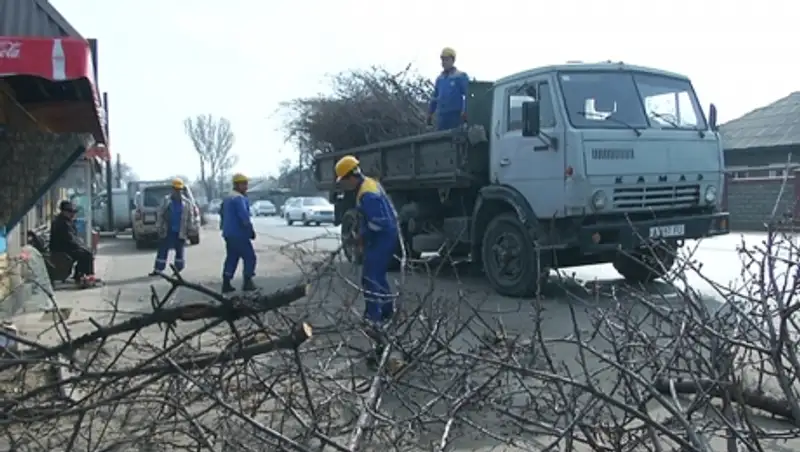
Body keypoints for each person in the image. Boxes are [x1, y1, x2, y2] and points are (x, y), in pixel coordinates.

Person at [334, 155, 399, 367]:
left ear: (351, 176)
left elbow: (378, 222)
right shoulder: (370, 184)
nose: (344, 185)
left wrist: (362, 237)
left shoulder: (367, 194)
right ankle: (387, 311)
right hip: (384, 237)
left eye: (343, 181)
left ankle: (375, 320)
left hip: (382, 239)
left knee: (370, 278)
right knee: (377, 276)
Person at [220, 173, 257, 293]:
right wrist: (250, 230)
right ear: (236, 185)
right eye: (243, 184)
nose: (246, 186)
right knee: (250, 257)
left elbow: (222, 214)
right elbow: (244, 216)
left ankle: (226, 282)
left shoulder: (228, 198)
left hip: (228, 233)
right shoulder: (238, 198)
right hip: (239, 234)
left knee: (232, 257)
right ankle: (247, 281)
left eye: (246, 184)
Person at [149, 178, 193, 276]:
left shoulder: (186, 203)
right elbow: (160, 214)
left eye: (179, 190)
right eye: (176, 189)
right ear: (172, 189)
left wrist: (190, 229)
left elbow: (190, 217)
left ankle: (178, 270)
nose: (178, 192)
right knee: (162, 250)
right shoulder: (166, 200)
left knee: (179, 251)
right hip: (167, 230)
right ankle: (158, 269)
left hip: (181, 231)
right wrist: (158, 227)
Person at [50, 200, 96, 285]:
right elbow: (69, 239)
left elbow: (72, 238)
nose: (73, 214)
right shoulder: (61, 223)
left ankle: (83, 275)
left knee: (86, 252)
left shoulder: (66, 221)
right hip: (61, 249)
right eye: (70, 211)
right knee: (86, 254)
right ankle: (84, 276)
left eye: (74, 212)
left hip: (66, 247)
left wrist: (81, 245)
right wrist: (81, 246)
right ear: (63, 211)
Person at [427, 47, 469, 131]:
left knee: (455, 137)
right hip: (442, 116)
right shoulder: (440, 79)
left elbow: (467, 95)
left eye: (446, 59)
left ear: (453, 60)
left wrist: (465, 111)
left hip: (455, 115)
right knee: (442, 137)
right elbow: (435, 97)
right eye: (442, 60)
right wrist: (430, 114)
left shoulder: (460, 76)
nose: (444, 62)